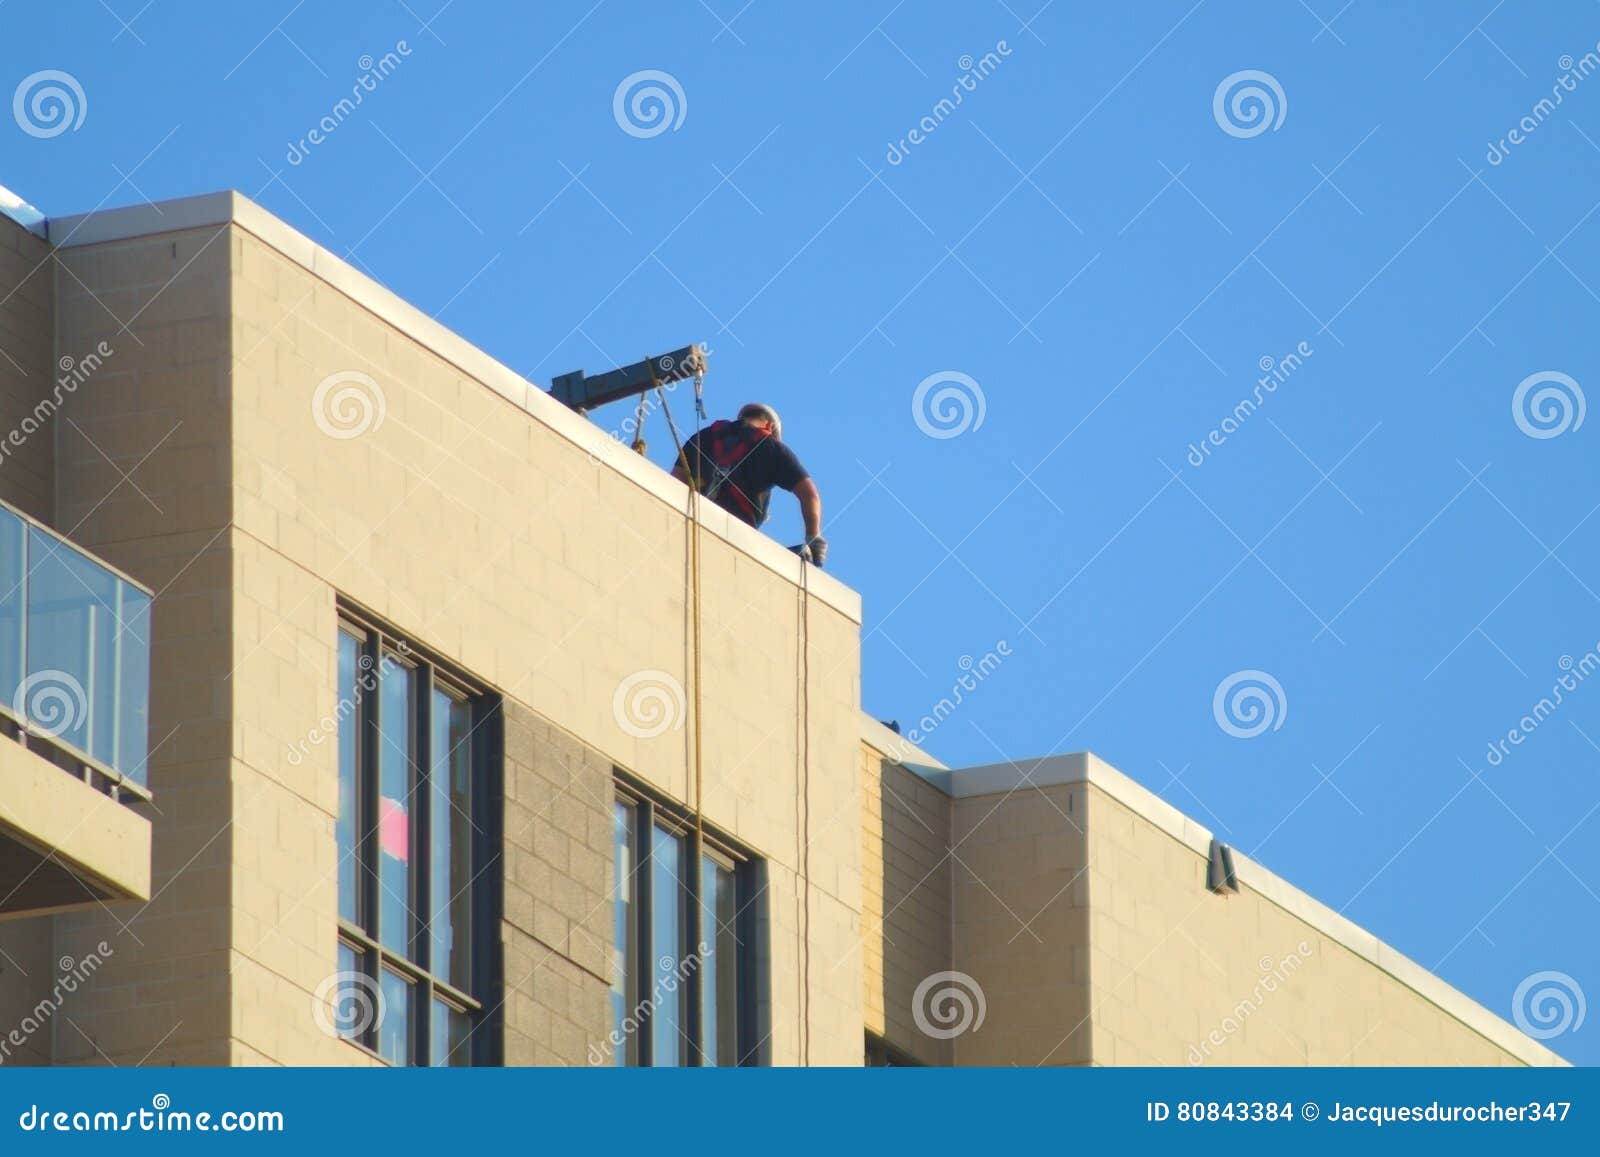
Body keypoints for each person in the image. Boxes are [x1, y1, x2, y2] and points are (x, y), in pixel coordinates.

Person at [672, 402, 827, 566]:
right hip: (737, 539)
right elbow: (810, 494)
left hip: (695, 525)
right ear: (769, 426)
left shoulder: (704, 436)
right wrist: (813, 537)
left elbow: (675, 481)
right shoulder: (772, 448)